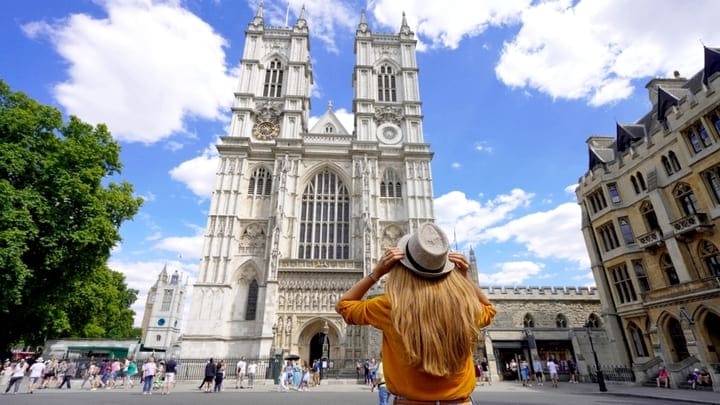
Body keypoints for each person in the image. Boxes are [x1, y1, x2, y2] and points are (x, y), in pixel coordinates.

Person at [337, 223, 496, 404]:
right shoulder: (464, 307)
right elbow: (489, 310)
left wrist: (377, 272)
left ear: (402, 267)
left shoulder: (390, 307)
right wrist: (465, 277)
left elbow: (344, 306)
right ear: (447, 266)